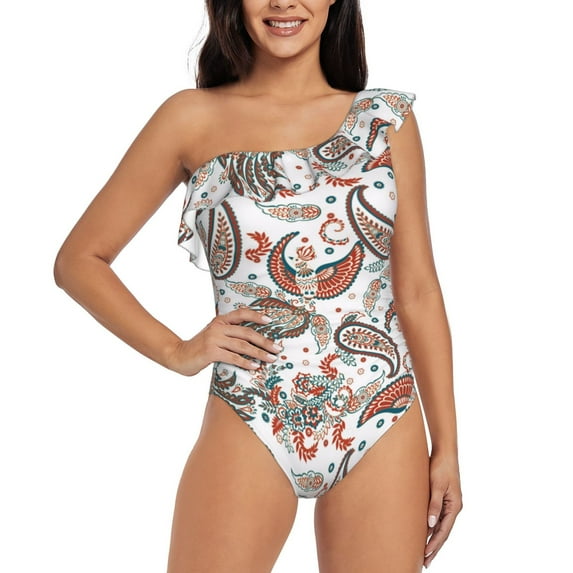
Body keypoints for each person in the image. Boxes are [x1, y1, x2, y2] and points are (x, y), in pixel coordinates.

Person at [54, 0, 462, 571]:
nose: (283, 2)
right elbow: (79, 260)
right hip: (251, 412)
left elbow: (417, 290)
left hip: (381, 416)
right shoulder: (190, 117)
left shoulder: (384, 120)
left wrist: (447, 447)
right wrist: (177, 350)